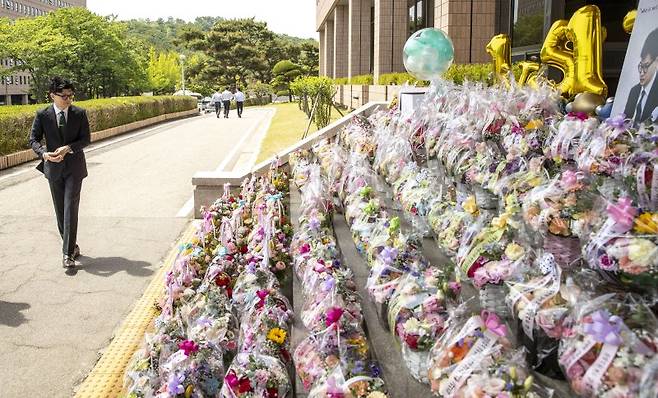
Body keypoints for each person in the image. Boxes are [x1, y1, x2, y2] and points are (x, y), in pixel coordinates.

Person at [29, 77, 91, 268]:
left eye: (70, 95)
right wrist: (44, 154)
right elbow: (33, 139)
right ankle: (71, 244)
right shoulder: (42, 114)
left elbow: (86, 139)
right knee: (60, 210)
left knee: (70, 207)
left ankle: (67, 254)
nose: (68, 99)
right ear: (52, 95)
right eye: (63, 96)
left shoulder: (79, 114)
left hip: (74, 168)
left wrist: (69, 148)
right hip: (53, 169)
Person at [623, 28, 658, 125]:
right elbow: (625, 120)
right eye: (640, 66)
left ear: (656, 62)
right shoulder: (634, 91)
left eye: (646, 66)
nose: (641, 73)